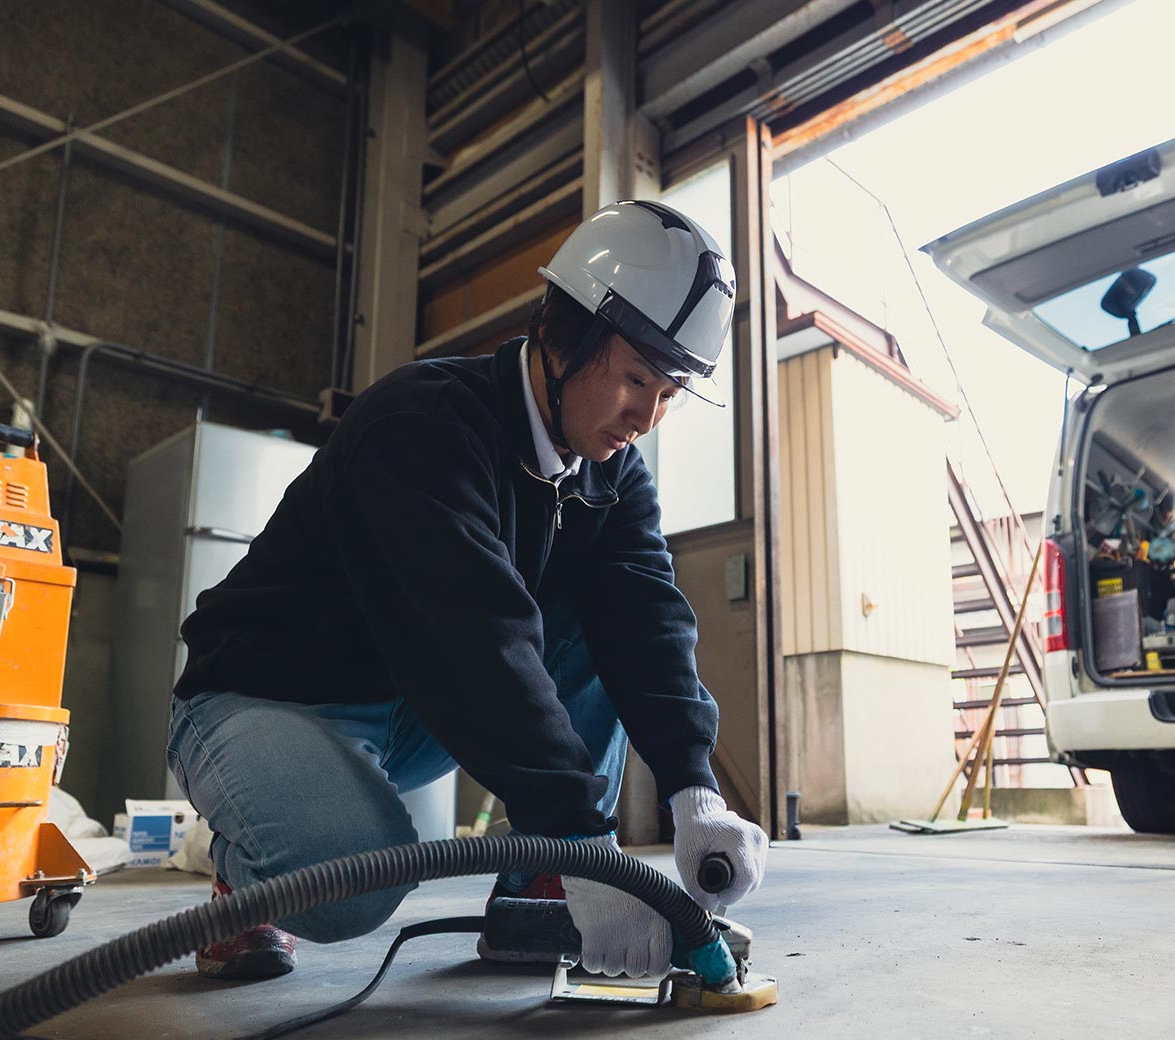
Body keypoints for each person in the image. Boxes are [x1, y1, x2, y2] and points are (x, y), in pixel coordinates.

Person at [166, 200, 769, 982]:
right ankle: (243, 870)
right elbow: (474, 639)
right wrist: (591, 845)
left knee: (609, 615)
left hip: (409, 705)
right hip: (265, 697)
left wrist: (695, 790)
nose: (646, 416)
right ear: (563, 334)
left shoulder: (610, 472)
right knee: (351, 886)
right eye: (636, 380)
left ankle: (539, 887)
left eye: (670, 392)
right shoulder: (422, 428)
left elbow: (648, 616)